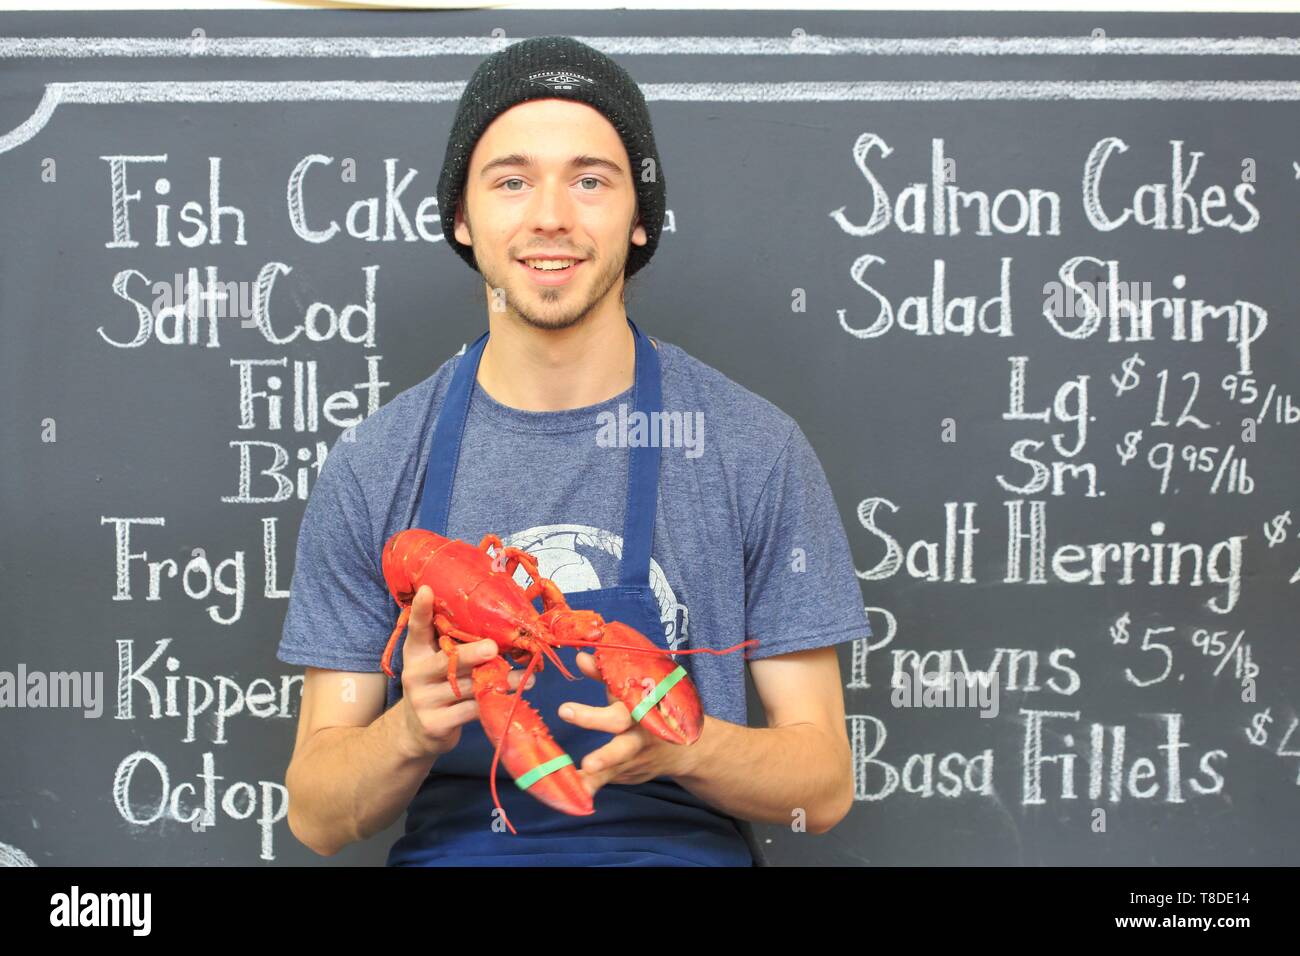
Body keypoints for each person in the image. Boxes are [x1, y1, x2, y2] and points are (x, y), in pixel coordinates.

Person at [276, 35, 871, 866]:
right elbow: (315, 818)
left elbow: (824, 790)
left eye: (590, 180)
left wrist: (688, 749)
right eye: (511, 181)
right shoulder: (374, 466)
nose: (550, 215)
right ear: (462, 217)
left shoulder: (753, 448)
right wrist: (409, 731)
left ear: (638, 220)